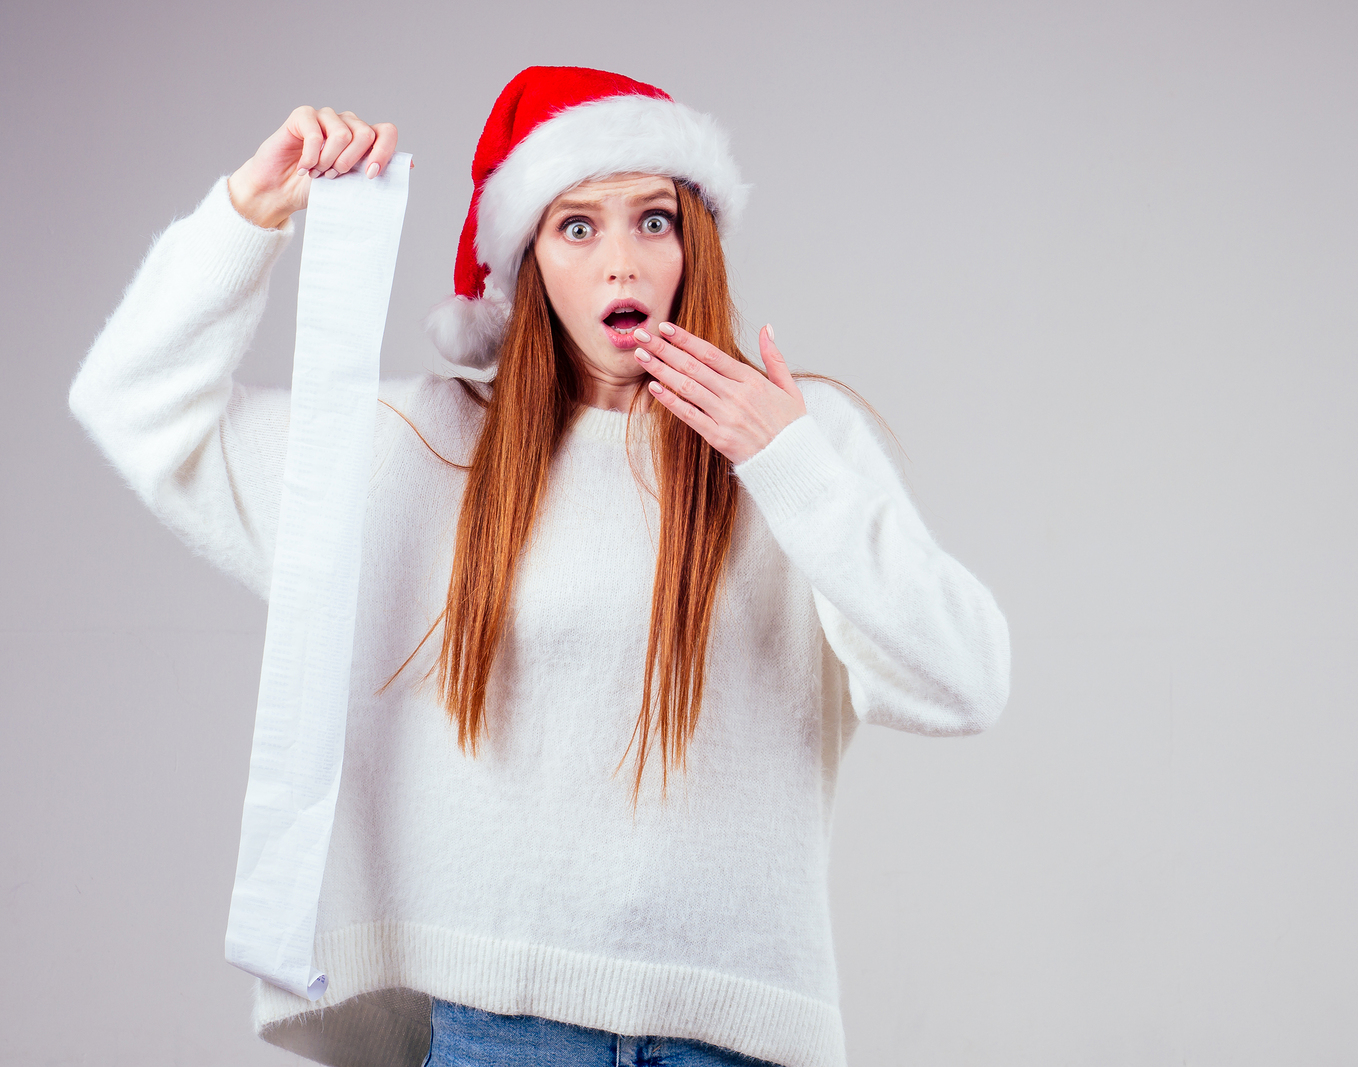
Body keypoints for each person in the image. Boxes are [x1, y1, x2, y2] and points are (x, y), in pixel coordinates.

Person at [68, 66, 1011, 1067]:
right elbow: (133, 405)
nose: (622, 263)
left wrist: (788, 463)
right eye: (576, 227)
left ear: (695, 242)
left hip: (736, 1030)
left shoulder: (794, 443)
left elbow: (963, 681)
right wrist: (248, 216)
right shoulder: (417, 448)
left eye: (654, 219)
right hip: (498, 1028)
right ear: (526, 266)